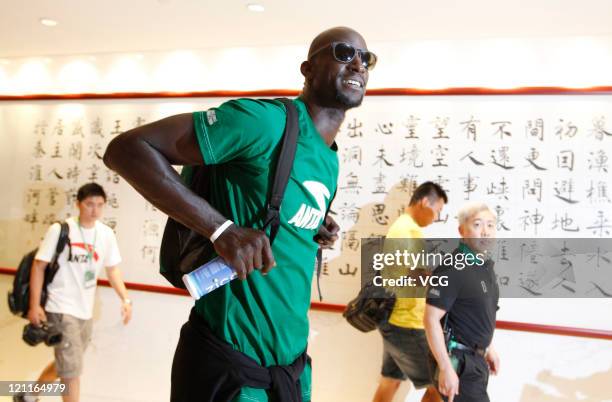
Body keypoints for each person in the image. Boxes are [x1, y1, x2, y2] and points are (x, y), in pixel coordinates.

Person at [103, 27, 376, 402]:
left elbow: (276, 206)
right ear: (308, 69)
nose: (359, 63)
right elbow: (126, 149)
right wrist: (221, 229)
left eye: (367, 58)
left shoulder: (329, 158)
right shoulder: (265, 122)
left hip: (292, 366)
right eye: (345, 52)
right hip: (231, 362)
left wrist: (315, 224)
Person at [20, 183, 133, 402]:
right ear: (78, 204)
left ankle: (27, 395)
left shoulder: (106, 234)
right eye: (90, 204)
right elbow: (38, 266)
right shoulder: (61, 230)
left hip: (85, 312)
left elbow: (113, 269)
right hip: (59, 307)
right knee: (71, 371)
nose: (95, 210)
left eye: (100, 205)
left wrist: (125, 299)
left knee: (66, 363)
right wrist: (35, 306)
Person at [373, 181, 447, 402]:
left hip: (394, 320)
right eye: (438, 210)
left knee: (390, 381)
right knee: (440, 385)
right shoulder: (409, 230)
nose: (436, 217)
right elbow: (415, 276)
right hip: (406, 323)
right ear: (425, 202)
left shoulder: (400, 226)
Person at [424, 202, 501, 402]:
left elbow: (479, 313)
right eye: (478, 225)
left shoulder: (484, 266)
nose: (485, 232)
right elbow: (431, 319)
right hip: (458, 362)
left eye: (491, 225)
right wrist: (445, 368)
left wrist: (488, 347)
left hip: (476, 359)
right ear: (461, 230)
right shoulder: (453, 268)